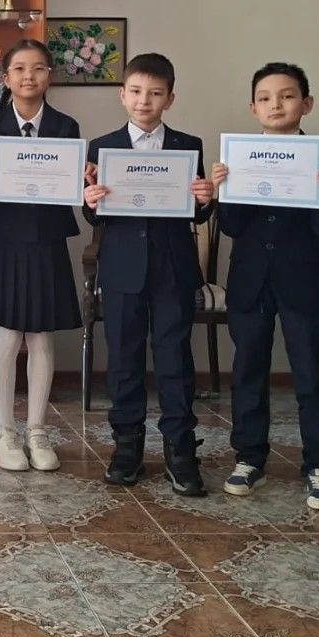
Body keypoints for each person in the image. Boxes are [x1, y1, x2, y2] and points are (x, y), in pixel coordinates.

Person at [209, 62, 319, 511]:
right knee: (248, 372)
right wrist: (223, 189)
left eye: (287, 96)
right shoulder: (238, 154)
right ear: (253, 108)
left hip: (304, 280)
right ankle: (249, 458)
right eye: (265, 98)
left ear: (307, 104)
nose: (276, 105)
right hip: (250, 281)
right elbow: (232, 227)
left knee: (313, 375)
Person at [83, 52, 215, 496]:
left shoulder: (188, 145)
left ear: (170, 98)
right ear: (122, 95)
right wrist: (91, 200)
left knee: (175, 358)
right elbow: (95, 215)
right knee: (124, 357)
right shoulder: (101, 146)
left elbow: (197, 210)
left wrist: (205, 199)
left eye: (155, 93)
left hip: (173, 267)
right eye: (136, 92)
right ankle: (127, 446)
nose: (144, 101)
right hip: (122, 267)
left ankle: (181, 449)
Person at [0, 38, 83, 472]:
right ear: (7, 79)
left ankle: (37, 429)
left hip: (47, 240)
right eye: (19, 69)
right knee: (7, 335)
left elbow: (69, 185)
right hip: (6, 240)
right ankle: (4, 432)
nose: (28, 76)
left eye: (37, 69)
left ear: (49, 76)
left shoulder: (66, 127)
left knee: (41, 336)